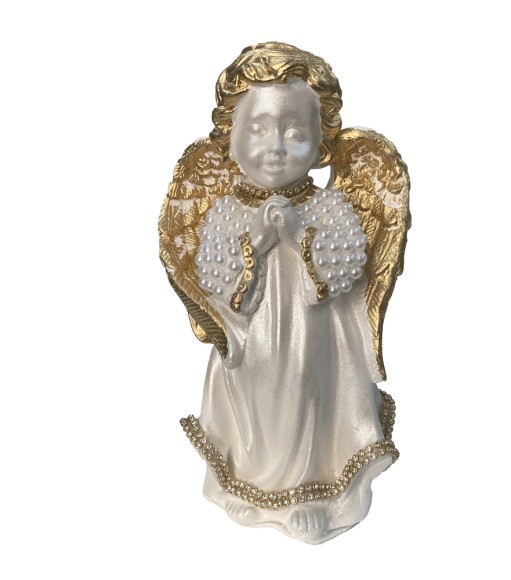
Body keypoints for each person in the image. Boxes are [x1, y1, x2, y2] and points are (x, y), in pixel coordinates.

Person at [161, 42, 409, 543]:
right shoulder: (226, 210)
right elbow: (214, 279)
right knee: (255, 407)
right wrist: (255, 240)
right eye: (257, 128)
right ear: (229, 136)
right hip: (248, 346)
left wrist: (298, 234)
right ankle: (248, 481)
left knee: (310, 398)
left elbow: (344, 273)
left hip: (316, 346)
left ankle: (315, 489)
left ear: (322, 144)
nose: (275, 146)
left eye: (294, 132)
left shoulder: (328, 207)